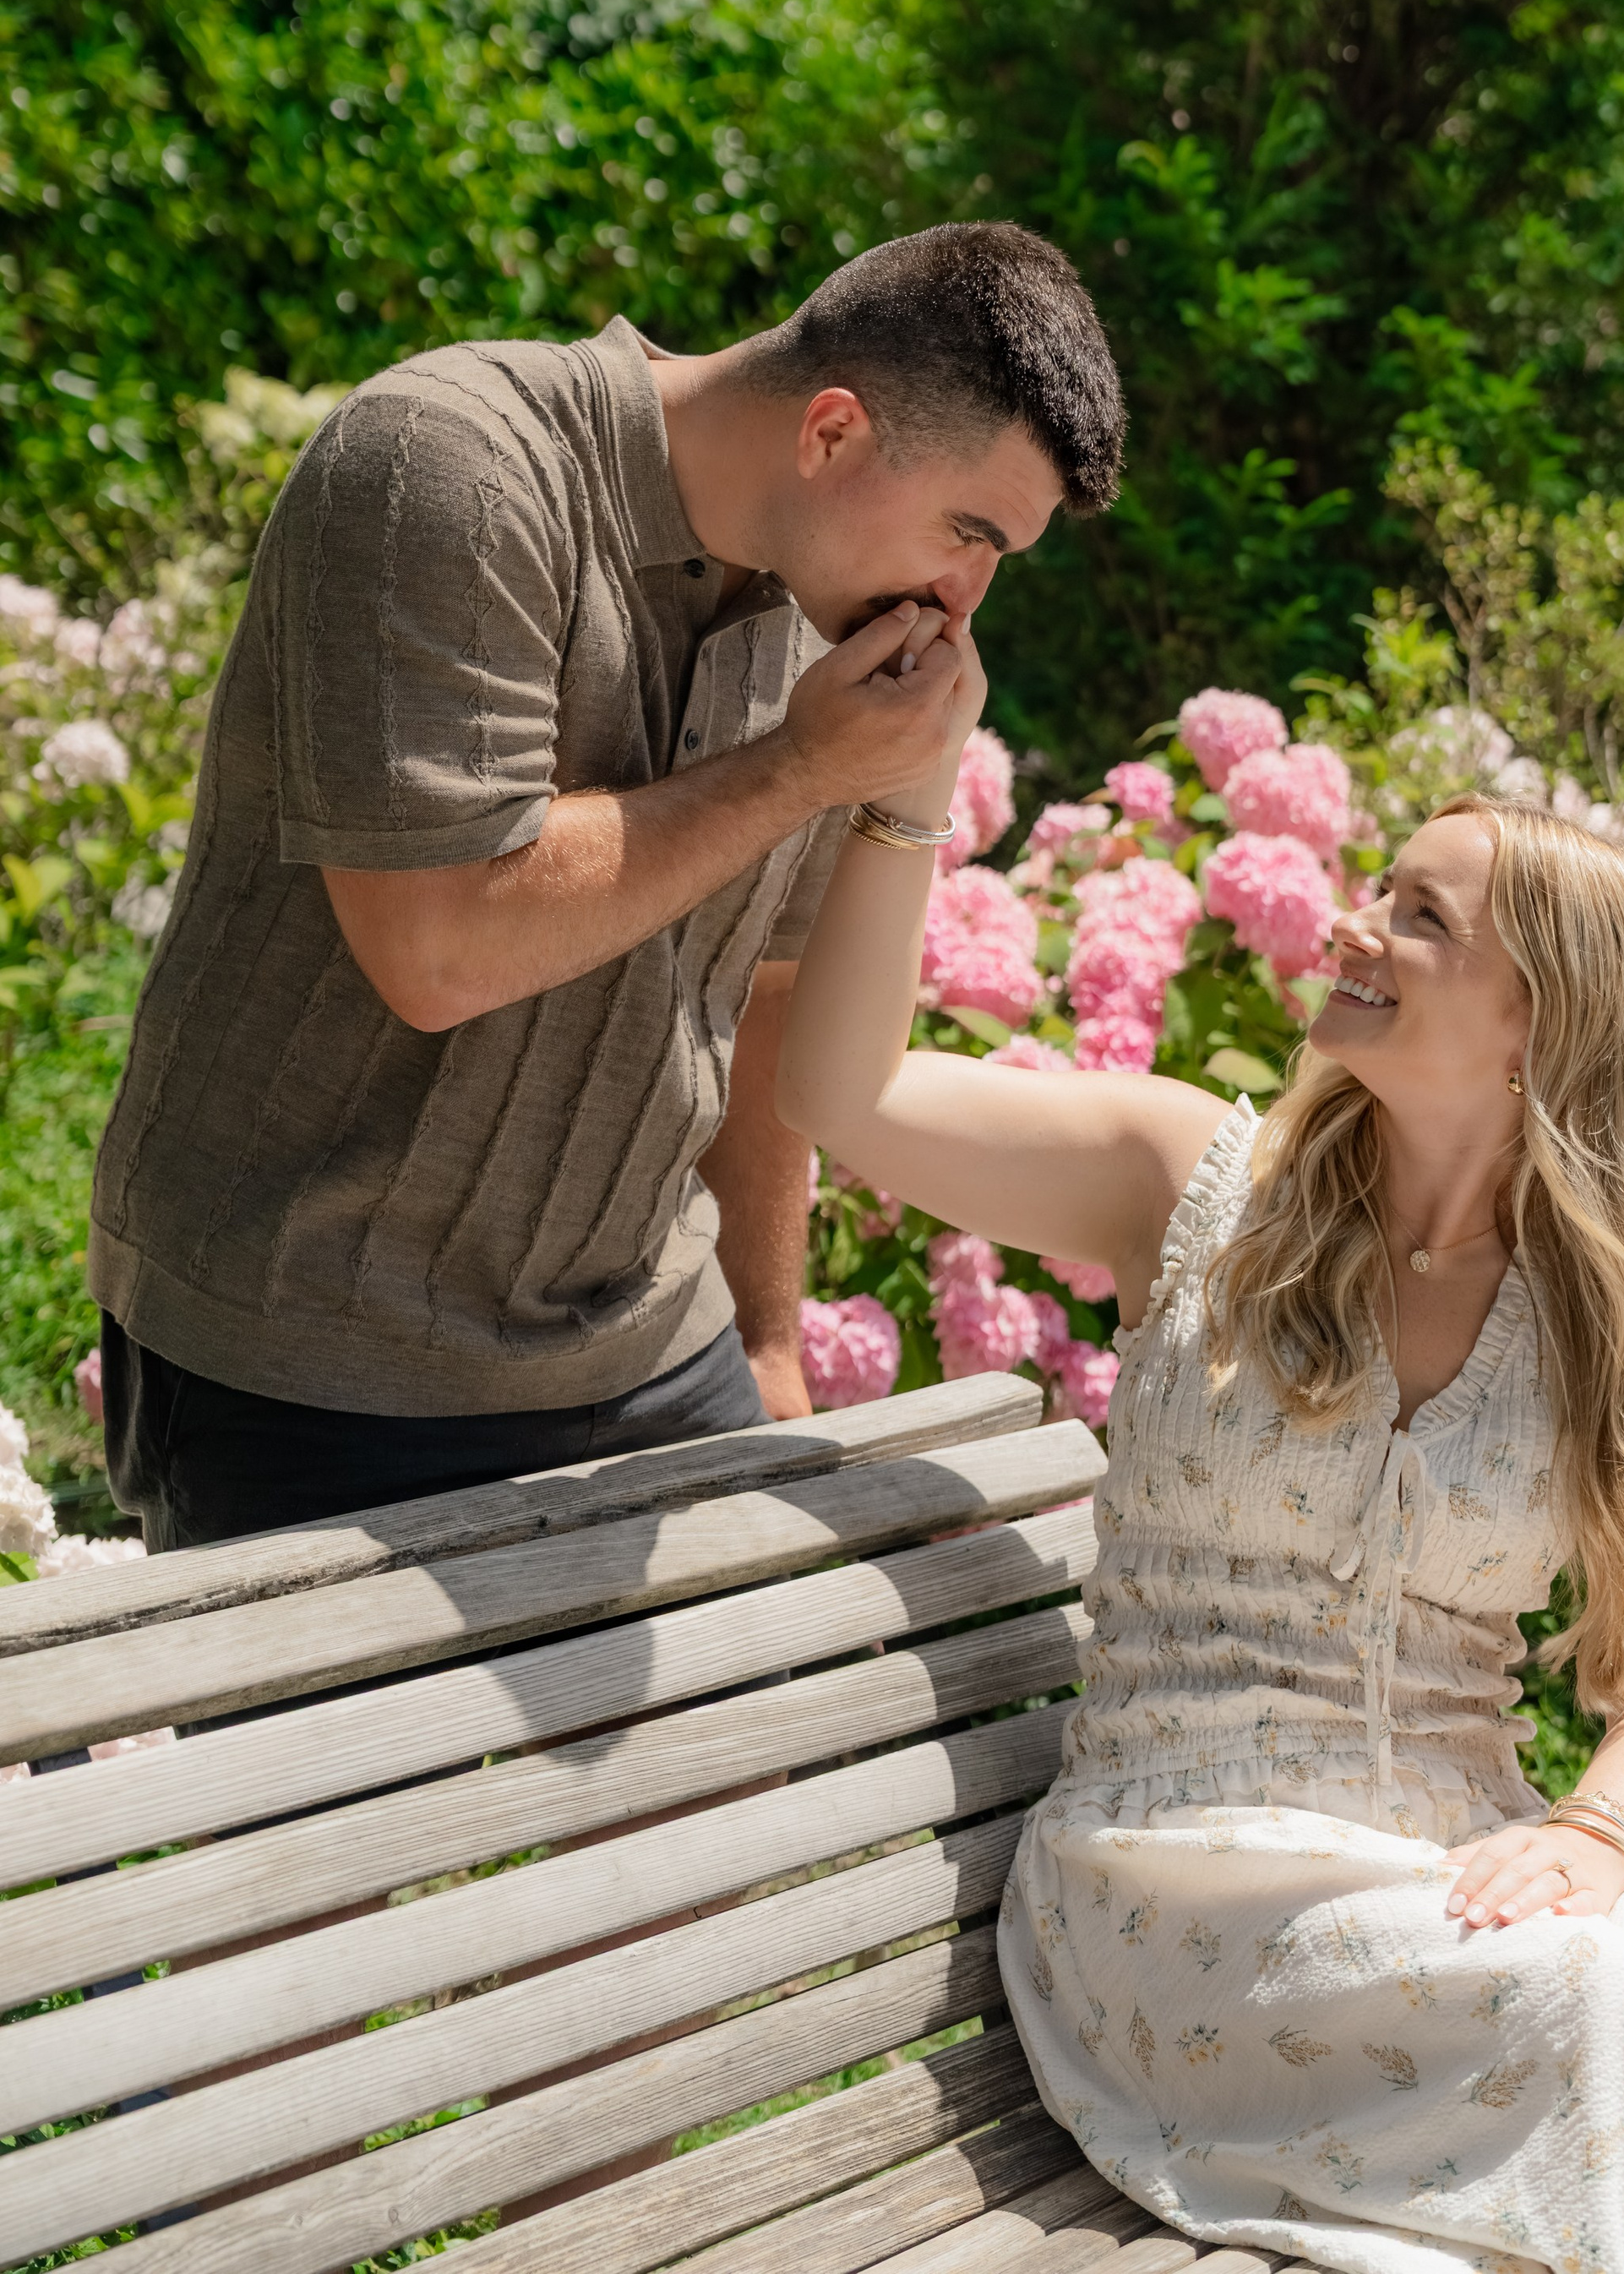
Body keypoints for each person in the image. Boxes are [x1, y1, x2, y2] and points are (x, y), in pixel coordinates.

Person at [775, 637, 1624, 2274]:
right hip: (1172, 1893)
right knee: (1607, 2012)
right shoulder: (1189, 1185)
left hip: (1457, 1887)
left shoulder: (1613, 1319)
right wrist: (907, 789)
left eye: (1420, 918)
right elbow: (841, 1093)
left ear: (1533, 1027)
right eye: (1380, 889)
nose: (1356, 924)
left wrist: (1592, 1837)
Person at [90, 225, 1123, 1551]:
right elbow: (439, 947)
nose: (965, 597)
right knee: (348, 1772)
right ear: (831, 435)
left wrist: (765, 1335)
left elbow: (768, 1003)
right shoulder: (445, 467)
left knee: (785, 1737)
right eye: (969, 534)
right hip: (308, 1362)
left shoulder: (831, 614)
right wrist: (802, 766)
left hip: (652, 1341)